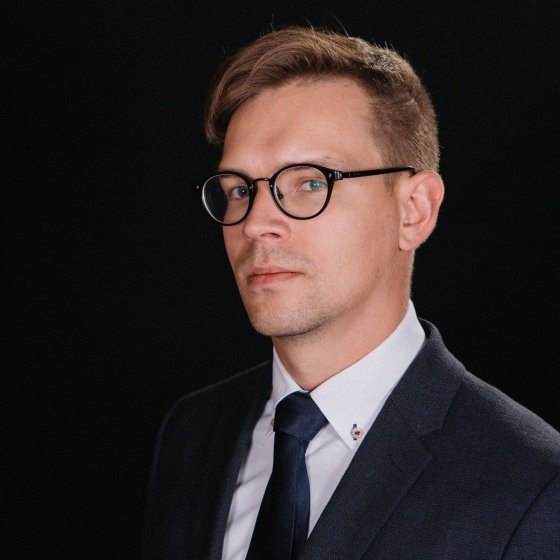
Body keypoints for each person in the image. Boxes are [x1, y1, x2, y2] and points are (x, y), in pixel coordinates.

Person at [142, 27, 560, 560]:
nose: (256, 223)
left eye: (310, 181)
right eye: (240, 190)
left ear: (414, 211)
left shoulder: (532, 487)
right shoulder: (193, 432)